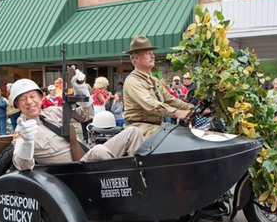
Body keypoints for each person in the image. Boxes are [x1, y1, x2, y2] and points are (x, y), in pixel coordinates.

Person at [10, 78, 144, 171]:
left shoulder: (53, 112)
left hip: (85, 156)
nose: (29, 102)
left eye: (32, 96)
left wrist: (83, 93)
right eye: (23, 99)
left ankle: (143, 175)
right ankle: (126, 187)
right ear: (17, 105)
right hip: (72, 171)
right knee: (98, 150)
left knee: (132, 132)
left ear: (41, 98)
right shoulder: (22, 131)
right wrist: (26, 143)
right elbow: (22, 165)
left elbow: (86, 115)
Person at [123, 35, 193, 137]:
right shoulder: (133, 81)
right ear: (136, 58)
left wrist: (192, 108)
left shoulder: (154, 80)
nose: (153, 56)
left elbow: (170, 99)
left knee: (182, 135)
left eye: (152, 53)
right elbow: (150, 104)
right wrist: (176, 112)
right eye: (148, 54)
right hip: (139, 128)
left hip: (157, 126)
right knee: (173, 139)